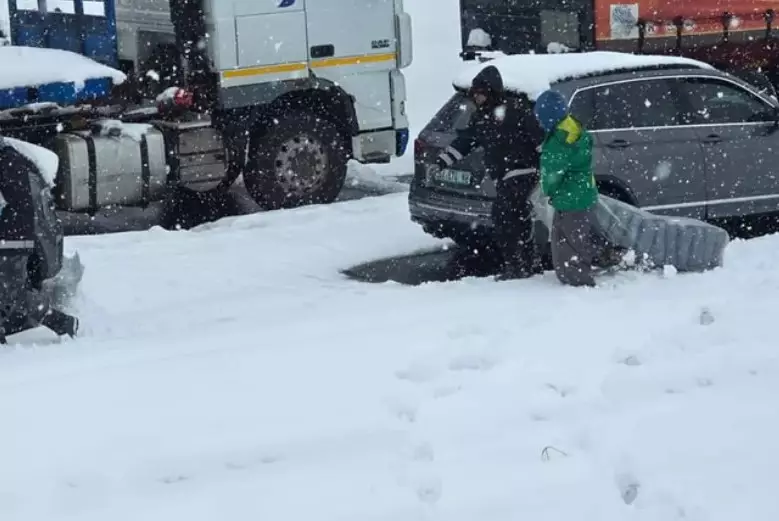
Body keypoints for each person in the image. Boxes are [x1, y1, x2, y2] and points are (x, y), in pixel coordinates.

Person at [431, 65, 545, 280]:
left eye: (480, 94)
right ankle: (529, 263)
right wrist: (443, 161)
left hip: (523, 172)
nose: (476, 98)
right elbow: (465, 141)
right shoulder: (481, 117)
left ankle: (516, 266)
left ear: (491, 91)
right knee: (519, 220)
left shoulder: (516, 110)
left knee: (503, 218)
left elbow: (538, 138)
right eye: (475, 94)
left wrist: (546, 161)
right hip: (505, 176)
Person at [533, 89, 601, 287]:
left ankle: (578, 279)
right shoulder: (571, 129)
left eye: (540, 118)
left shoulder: (559, 141)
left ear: (548, 117)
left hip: (570, 197)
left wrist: (548, 191)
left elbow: (552, 174)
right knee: (573, 238)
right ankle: (570, 274)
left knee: (568, 240)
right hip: (580, 193)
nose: (538, 122)